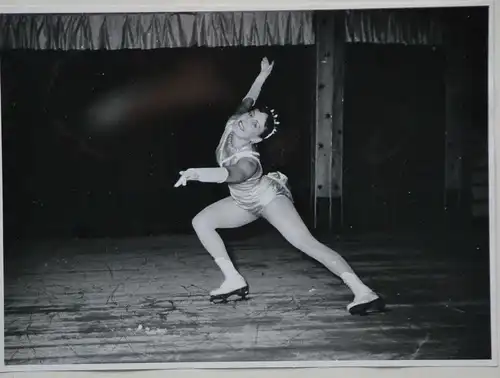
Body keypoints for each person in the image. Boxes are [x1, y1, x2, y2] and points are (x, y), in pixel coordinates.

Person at [174, 57, 384, 315]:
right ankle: (233, 280)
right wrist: (262, 75)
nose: (246, 121)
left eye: (254, 124)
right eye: (250, 116)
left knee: (306, 244)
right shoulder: (233, 123)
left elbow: (231, 173)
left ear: (258, 137)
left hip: (267, 199)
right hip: (243, 203)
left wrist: (198, 173)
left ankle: (364, 292)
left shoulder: (249, 162)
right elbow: (248, 100)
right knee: (202, 222)